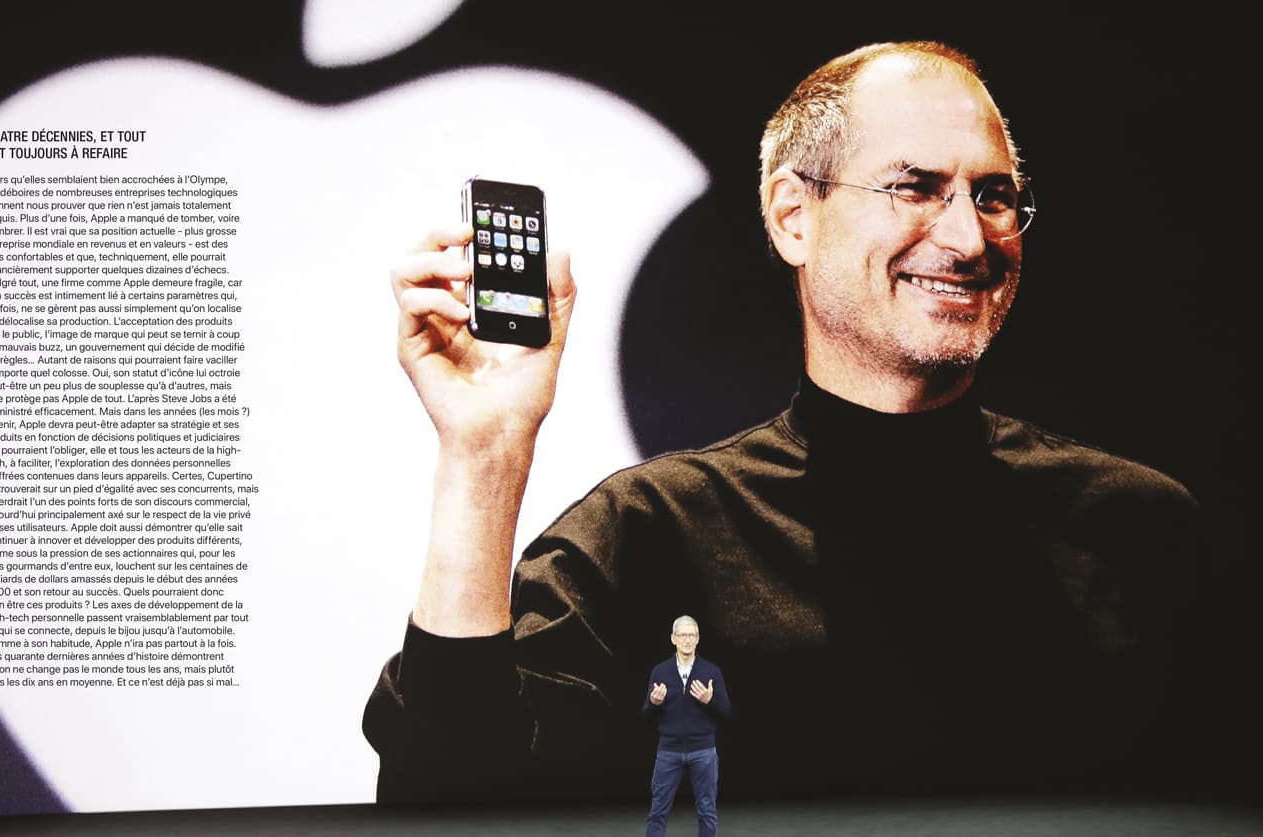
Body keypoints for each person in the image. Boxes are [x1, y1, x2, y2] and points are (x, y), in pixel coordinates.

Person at [363, 40, 1206, 804]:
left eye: (993, 196)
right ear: (792, 215)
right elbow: (449, 799)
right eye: (915, 187)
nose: (967, 237)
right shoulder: (646, 536)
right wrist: (483, 452)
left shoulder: (1138, 528)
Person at [642, 616, 731, 836]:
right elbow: (646, 715)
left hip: (703, 751)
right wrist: (654, 703)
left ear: (698, 639)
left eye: (692, 635)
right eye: (683, 635)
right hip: (668, 751)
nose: (687, 640)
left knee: (707, 811)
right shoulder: (660, 671)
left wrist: (709, 701)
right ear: (673, 638)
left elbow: (726, 713)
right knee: (658, 812)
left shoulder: (711, 671)